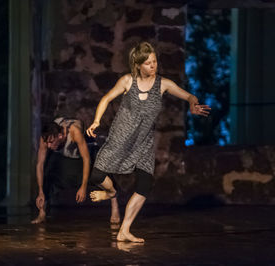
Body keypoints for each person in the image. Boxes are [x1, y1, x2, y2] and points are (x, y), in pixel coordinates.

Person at [86, 42, 211, 242]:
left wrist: (193, 104)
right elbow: (106, 99)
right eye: (148, 63)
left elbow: (188, 95)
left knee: (145, 184)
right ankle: (111, 192)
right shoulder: (127, 81)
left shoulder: (163, 84)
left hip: (143, 143)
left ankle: (124, 230)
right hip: (120, 139)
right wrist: (96, 121)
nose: (153, 66)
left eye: (154, 62)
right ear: (138, 65)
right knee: (97, 175)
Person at [31, 117, 121, 224]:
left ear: (60, 136)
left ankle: (114, 205)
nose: (48, 146)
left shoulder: (74, 132)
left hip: (87, 152)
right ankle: (42, 213)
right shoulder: (47, 136)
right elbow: (40, 164)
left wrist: (83, 187)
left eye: (51, 142)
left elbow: (86, 159)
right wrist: (41, 191)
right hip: (67, 156)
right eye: (48, 143)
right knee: (48, 169)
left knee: (101, 171)